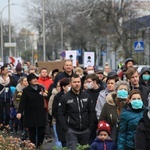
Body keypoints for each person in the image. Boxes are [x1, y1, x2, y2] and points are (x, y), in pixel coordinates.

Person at [58, 74, 95, 150]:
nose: (77, 84)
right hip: (71, 131)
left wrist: (90, 127)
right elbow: (60, 114)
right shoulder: (65, 98)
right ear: (71, 83)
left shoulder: (86, 96)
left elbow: (91, 112)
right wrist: (66, 128)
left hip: (85, 130)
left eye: (78, 82)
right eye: (74, 82)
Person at [16, 73, 46, 148]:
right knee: (32, 132)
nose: (36, 80)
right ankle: (32, 147)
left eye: (36, 78)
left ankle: (39, 145)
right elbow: (22, 102)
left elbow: (47, 95)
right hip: (30, 114)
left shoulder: (40, 88)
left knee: (42, 131)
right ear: (29, 81)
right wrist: (19, 112)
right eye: (33, 79)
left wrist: (45, 95)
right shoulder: (26, 90)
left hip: (40, 113)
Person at [85, 73, 104, 144]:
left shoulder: (102, 91)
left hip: (101, 119)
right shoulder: (86, 93)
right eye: (86, 82)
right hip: (90, 122)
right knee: (91, 141)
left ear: (95, 81)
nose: (87, 84)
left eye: (89, 82)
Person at [52, 78, 70, 147]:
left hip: (74, 124)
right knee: (64, 144)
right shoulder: (58, 97)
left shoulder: (74, 95)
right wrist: (62, 118)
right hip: (62, 125)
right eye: (68, 86)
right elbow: (54, 111)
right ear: (63, 87)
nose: (70, 87)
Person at [38, 68, 53, 142]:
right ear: (40, 73)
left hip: (48, 101)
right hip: (40, 102)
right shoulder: (37, 81)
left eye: (45, 72)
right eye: (42, 72)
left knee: (47, 119)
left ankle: (47, 135)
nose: (44, 73)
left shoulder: (50, 81)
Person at [0, 66, 12, 131]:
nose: (7, 71)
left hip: (7, 98)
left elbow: (10, 88)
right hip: (0, 98)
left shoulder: (9, 79)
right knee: (1, 113)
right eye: (5, 70)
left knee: (8, 113)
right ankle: (1, 124)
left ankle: (6, 124)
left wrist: (11, 96)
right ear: (2, 71)